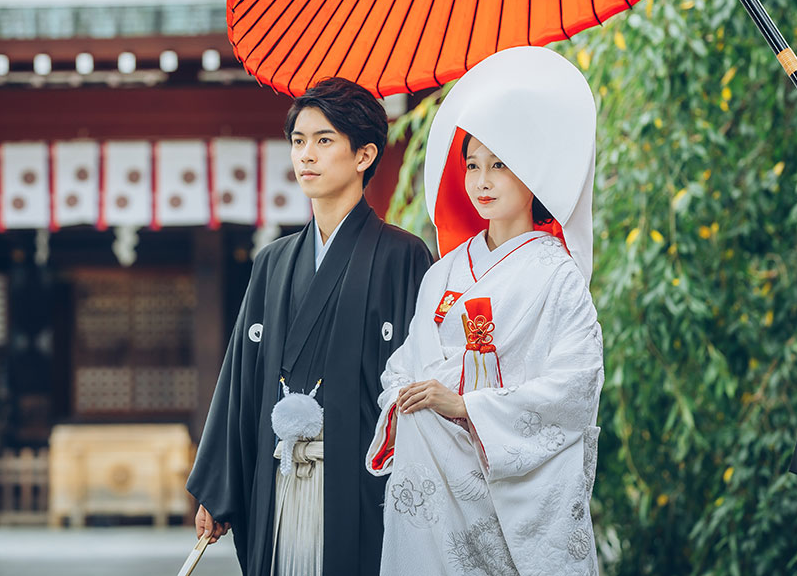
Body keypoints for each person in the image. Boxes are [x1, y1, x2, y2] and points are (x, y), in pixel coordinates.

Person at [364, 46, 604, 576]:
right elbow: (405, 366)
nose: (482, 180)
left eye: (500, 165)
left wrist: (467, 407)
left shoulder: (557, 274)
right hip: (438, 471)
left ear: (533, 172)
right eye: (472, 164)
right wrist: (415, 398)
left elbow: (576, 385)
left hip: (510, 477)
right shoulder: (444, 273)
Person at [188, 77, 433, 576]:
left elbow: (420, 382)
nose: (306, 156)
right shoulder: (273, 263)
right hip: (277, 477)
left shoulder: (403, 257)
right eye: (298, 141)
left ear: (364, 156)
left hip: (363, 484)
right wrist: (219, 489)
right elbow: (241, 382)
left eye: (324, 141)